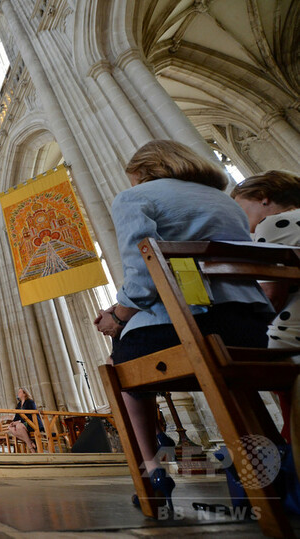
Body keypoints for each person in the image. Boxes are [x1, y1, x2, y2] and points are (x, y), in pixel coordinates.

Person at [93, 139, 272, 511]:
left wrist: (117, 316)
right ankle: (260, 462)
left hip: (187, 326)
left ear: (144, 171)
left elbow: (144, 273)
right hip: (251, 327)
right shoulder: (226, 201)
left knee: (119, 364)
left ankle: (152, 470)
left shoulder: (135, 198)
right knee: (225, 369)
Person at [231, 170, 300, 441]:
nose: (238, 218)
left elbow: (270, 296)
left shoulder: (273, 223)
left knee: (222, 358)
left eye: (239, 207)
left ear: (263, 197)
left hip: (293, 336)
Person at [7, 388, 42, 452]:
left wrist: (19, 422)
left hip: (32, 423)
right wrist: (13, 422)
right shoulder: (19, 404)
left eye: (20, 392)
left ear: (25, 394)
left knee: (19, 426)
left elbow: (32, 414)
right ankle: (30, 442)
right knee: (10, 427)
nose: (18, 393)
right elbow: (17, 416)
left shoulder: (30, 402)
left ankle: (31, 448)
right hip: (23, 424)